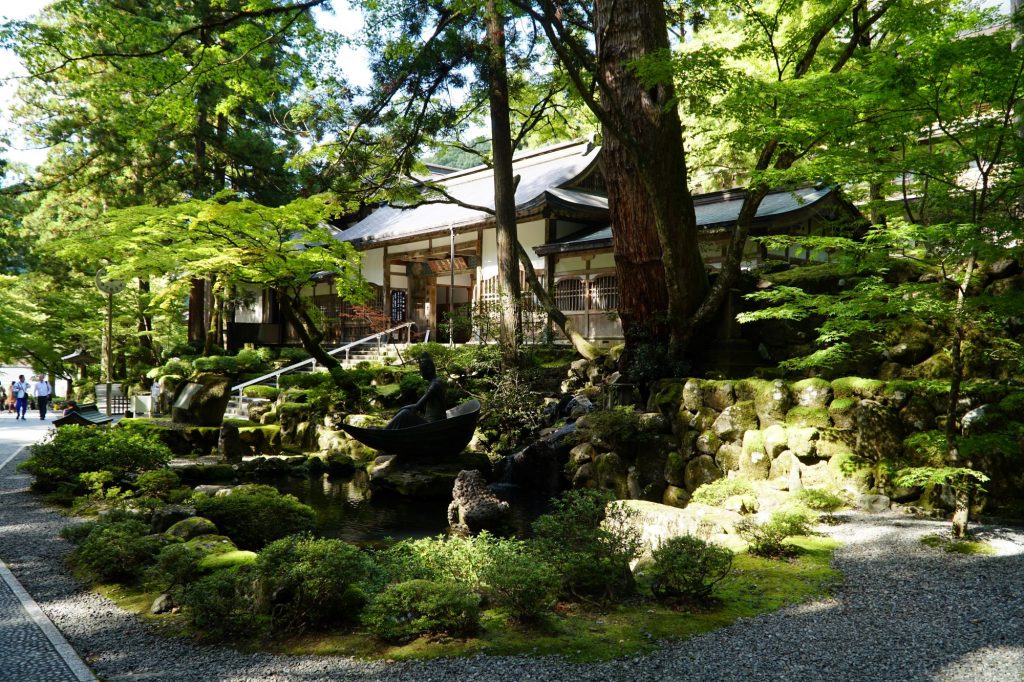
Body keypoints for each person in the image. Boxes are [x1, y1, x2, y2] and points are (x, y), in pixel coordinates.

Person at [386, 352, 447, 429]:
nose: (421, 373)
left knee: (404, 413)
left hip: (433, 424)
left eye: (422, 370)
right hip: (434, 421)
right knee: (405, 414)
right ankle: (388, 430)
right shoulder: (437, 382)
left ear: (428, 369)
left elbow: (417, 406)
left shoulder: (435, 385)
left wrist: (402, 408)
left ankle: (386, 430)